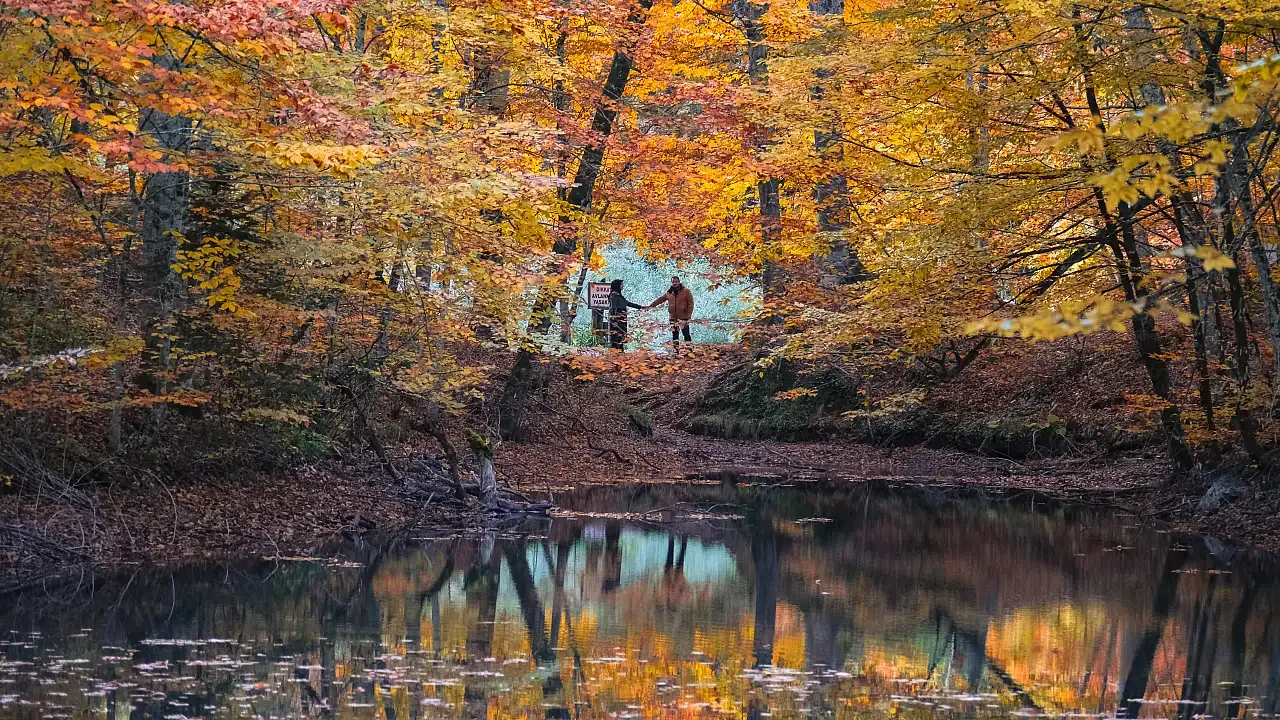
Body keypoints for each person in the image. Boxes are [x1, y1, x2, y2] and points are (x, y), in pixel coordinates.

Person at [648, 275, 695, 347]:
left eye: (676, 282)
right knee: (675, 336)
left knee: (686, 335)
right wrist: (650, 306)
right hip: (673, 318)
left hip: (683, 317)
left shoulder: (686, 291)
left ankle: (689, 351)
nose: (674, 283)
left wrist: (688, 316)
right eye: (673, 282)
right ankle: (676, 353)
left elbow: (691, 304)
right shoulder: (669, 292)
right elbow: (660, 300)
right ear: (671, 283)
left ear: (679, 282)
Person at [607, 278, 645, 350]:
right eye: (621, 284)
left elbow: (627, 303)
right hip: (617, 321)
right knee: (616, 339)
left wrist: (640, 307)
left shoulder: (617, 295)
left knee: (620, 338)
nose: (622, 286)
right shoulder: (614, 296)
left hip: (620, 320)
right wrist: (614, 320)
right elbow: (613, 308)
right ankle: (616, 356)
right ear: (617, 286)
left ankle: (619, 354)